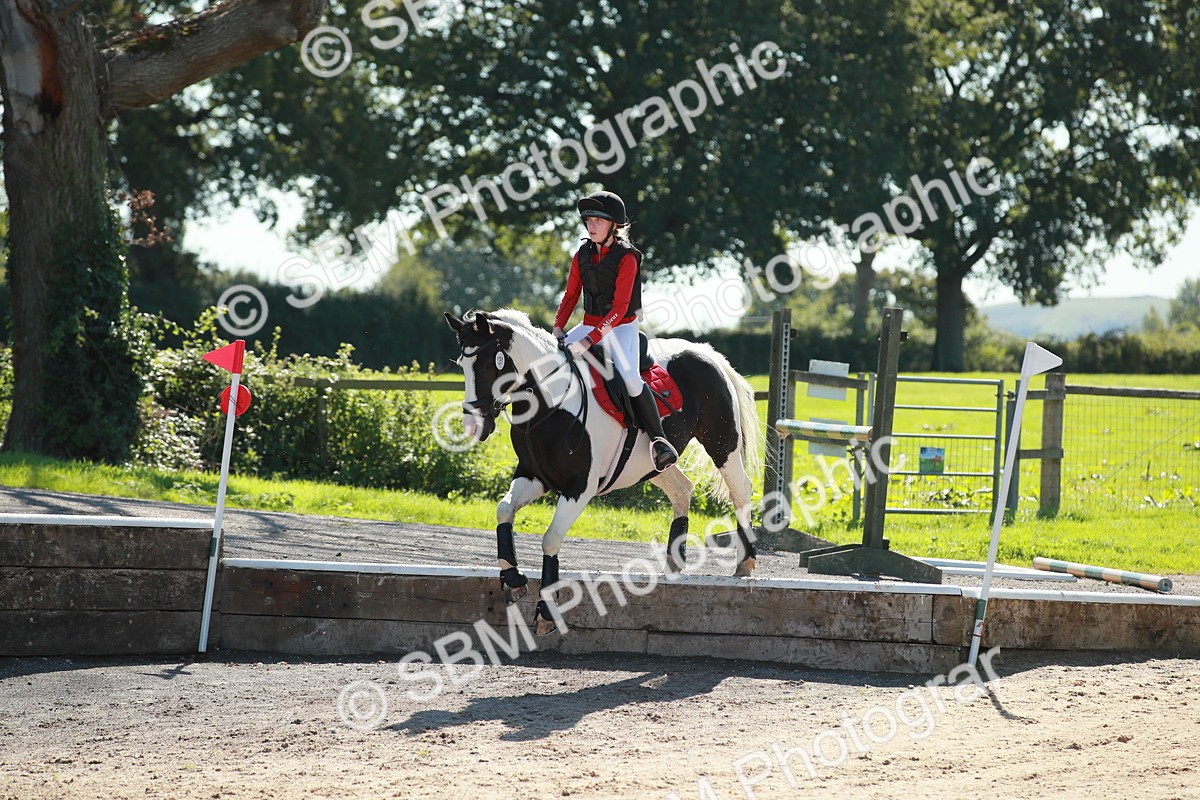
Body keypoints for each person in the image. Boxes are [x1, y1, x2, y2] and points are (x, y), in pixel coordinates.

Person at [553, 190, 679, 471]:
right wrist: (558, 328)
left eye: (598, 220)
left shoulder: (627, 257)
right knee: (551, 359)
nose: (591, 225)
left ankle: (659, 441)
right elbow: (571, 296)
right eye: (588, 220)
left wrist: (589, 340)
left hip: (621, 327)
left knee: (629, 378)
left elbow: (619, 308)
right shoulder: (581, 255)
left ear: (614, 225)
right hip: (588, 322)